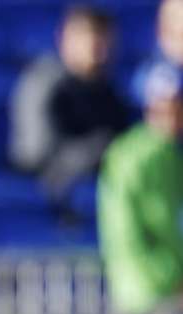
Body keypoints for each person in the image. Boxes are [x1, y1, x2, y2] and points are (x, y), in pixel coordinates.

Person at [9, 5, 131, 199]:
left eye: (102, 39)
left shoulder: (111, 92)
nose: (96, 49)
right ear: (65, 39)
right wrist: (100, 149)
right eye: (88, 37)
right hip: (50, 196)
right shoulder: (45, 85)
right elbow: (35, 155)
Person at [98, 61, 183, 314]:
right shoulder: (130, 157)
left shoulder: (172, 154)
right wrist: (167, 281)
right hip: (145, 300)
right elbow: (124, 232)